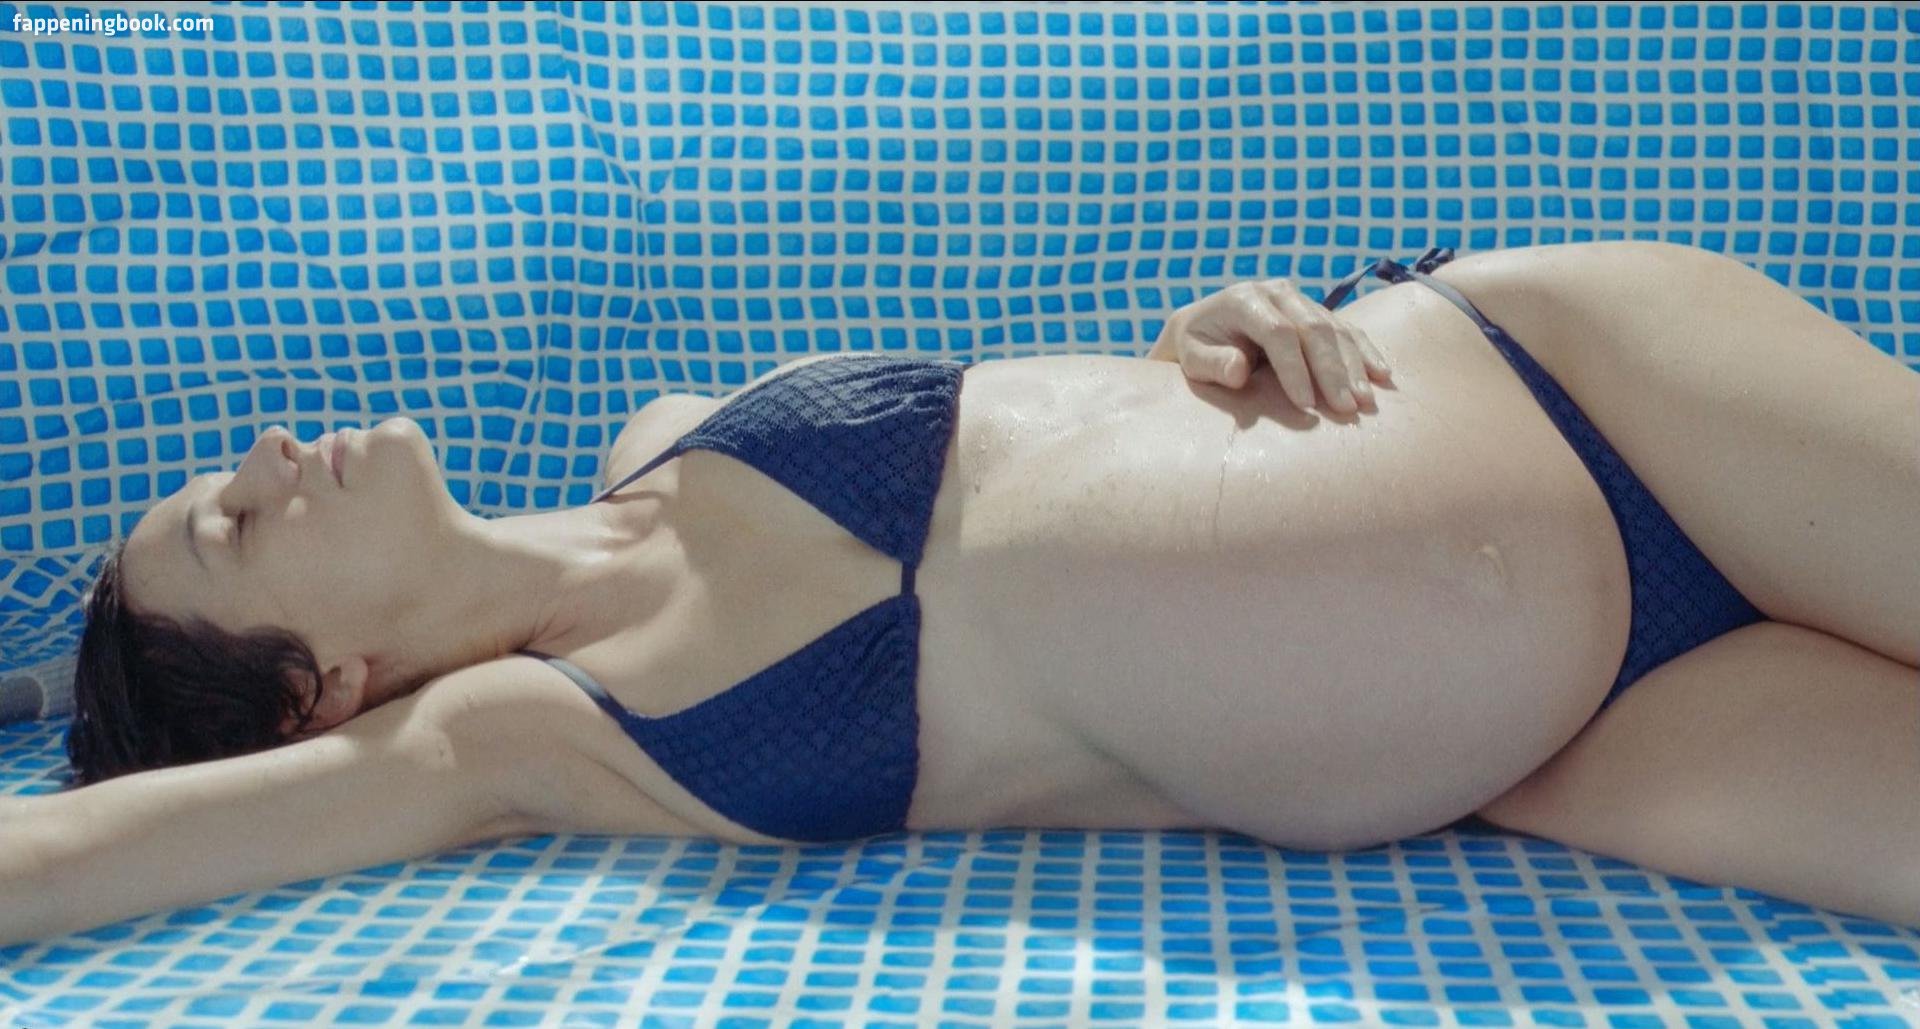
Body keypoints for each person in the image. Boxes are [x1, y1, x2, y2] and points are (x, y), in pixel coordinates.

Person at [2, 241, 1913, 947]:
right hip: (1569, 739)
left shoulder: (667, 434)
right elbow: (67, 858)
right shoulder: (529, 736)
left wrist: (1202, 337)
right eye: (233, 528)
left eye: (225, 479)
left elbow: (1064, 449)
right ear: (322, 690)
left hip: (1577, 380)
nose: (267, 457)